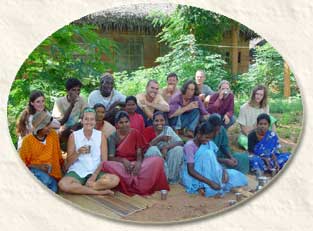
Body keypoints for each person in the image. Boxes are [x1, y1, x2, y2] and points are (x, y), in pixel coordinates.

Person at [101, 111, 170, 196]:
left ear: (130, 122)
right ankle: (135, 181)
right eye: (121, 122)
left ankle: (137, 180)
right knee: (106, 164)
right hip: (121, 165)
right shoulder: (112, 137)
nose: (124, 125)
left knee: (158, 160)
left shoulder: (135, 132)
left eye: (126, 122)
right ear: (116, 124)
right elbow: (111, 158)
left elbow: (139, 151)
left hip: (136, 162)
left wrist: (139, 163)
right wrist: (123, 160)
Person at [58, 107, 120, 195]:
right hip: (78, 170)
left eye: (92, 119)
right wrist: (78, 152)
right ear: (82, 121)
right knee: (63, 184)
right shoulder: (74, 136)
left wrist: (94, 176)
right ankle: (98, 192)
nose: (89, 122)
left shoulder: (101, 136)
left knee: (114, 180)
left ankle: (86, 187)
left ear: (95, 121)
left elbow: (104, 161)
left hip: (96, 170)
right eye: (86, 119)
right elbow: (68, 163)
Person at [180, 122, 248, 197]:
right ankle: (206, 187)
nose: (207, 141)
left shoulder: (208, 143)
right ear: (199, 134)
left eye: (210, 138)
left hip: (210, 172)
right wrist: (210, 182)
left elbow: (213, 161)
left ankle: (217, 181)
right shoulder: (189, 146)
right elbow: (191, 171)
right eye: (206, 137)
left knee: (236, 176)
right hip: (196, 175)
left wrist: (223, 171)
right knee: (208, 154)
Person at [19, 111, 63, 193]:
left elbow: (58, 154)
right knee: (45, 181)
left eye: (49, 124)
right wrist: (39, 166)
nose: (49, 127)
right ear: (38, 127)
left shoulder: (53, 135)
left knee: (53, 188)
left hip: (52, 174)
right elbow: (22, 165)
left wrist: (64, 166)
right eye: (46, 125)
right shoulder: (27, 141)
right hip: (35, 172)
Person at [144, 111, 184, 184]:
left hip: (166, 155)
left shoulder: (168, 129)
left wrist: (166, 147)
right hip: (154, 157)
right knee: (153, 149)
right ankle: (160, 177)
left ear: (165, 121)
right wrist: (159, 139)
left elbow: (180, 142)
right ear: (152, 122)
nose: (159, 123)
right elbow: (145, 148)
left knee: (179, 149)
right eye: (156, 121)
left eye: (162, 120)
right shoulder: (148, 130)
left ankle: (170, 177)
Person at [237, 85, 277, 150]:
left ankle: (273, 138)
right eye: (257, 94)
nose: (258, 96)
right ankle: (260, 146)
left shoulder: (266, 106)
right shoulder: (244, 108)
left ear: (264, 96)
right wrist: (255, 127)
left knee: (271, 118)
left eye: (261, 95)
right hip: (248, 134)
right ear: (253, 94)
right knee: (243, 141)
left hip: (262, 132)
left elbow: (267, 124)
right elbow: (244, 129)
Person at [52, 78, 87, 149]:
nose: (76, 92)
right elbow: (57, 121)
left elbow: (85, 116)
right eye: (73, 90)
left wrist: (78, 124)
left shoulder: (82, 100)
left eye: (78, 90)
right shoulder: (59, 102)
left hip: (77, 126)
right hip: (63, 127)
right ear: (68, 91)